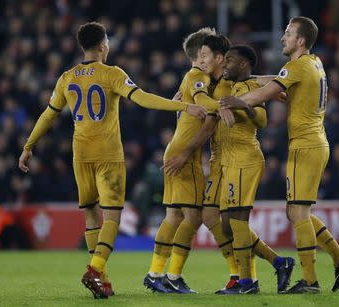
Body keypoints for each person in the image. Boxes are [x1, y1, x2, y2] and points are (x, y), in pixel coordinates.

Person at [18, 21, 206, 299]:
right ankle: (95, 269)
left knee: (91, 213)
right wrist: (183, 105)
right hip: (108, 155)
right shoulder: (111, 73)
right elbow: (141, 98)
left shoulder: (67, 77)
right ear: (104, 45)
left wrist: (28, 146)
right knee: (113, 217)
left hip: (80, 155)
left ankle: (101, 280)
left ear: (83, 46)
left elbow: (49, 114)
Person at [220, 16, 339, 294]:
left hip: (305, 145)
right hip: (316, 142)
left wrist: (232, 101)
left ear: (301, 41)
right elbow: (273, 82)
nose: (283, 38)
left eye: (288, 33)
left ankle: (309, 280)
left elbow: (264, 94)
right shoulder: (313, 63)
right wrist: (251, 85)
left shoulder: (296, 66)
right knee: (296, 212)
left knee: (299, 213)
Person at [164, 42, 295, 295]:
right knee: (212, 217)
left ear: (243, 64)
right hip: (218, 160)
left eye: (230, 61)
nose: (225, 65)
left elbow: (263, 120)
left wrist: (242, 105)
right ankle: (279, 262)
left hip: (243, 157)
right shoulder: (222, 86)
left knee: (235, 221)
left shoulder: (249, 89)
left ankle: (247, 282)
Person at [143, 27, 223, 294]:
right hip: (184, 154)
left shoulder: (189, 78)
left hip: (177, 150)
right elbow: (202, 101)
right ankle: (171, 276)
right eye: (211, 54)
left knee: (175, 215)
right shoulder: (198, 77)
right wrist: (230, 104)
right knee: (193, 216)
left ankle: (157, 274)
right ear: (201, 57)